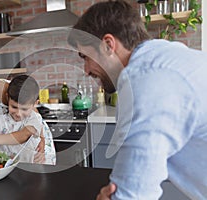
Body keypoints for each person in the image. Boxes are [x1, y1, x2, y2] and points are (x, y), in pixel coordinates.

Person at [68, 0, 207, 199]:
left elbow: (134, 193)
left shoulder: (144, 77)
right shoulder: (168, 57)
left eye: (85, 56)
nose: (86, 69)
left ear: (108, 45)